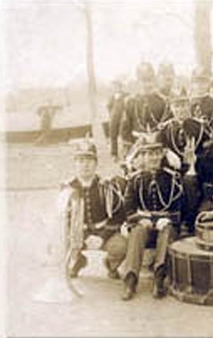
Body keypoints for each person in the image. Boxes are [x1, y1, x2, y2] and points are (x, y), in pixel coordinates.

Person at [122, 132, 199, 300]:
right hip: (144, 222)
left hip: (166, 221)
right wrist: (141, 219)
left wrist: (168, 219)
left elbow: (180, 208)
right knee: (137, 232)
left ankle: (159, 278)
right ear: (143, 156)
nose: (153, 157)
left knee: (167, 232)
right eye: (149, 154)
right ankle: (130, 280)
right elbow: (128, 209)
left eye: (157, 153)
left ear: (162, 154)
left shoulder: (173, 178)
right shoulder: (135, 180)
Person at [60, 137, 127, 281]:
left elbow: (119, 215)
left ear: (96, 164)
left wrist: (101, 237)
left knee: (122, 245)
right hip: (78, 233)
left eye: (90, 161)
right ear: (75, 163)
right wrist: (80, 236)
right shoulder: (67, 187)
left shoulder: (106, 186)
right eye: (81, 161)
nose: (85, 165)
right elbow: (64, 218)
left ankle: (111, 264)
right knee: (60, 242)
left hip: (104, 231)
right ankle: (77, 261)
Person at [158, 89, 211, 174]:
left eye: (183, 106)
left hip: (198, 168)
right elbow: (161, 149)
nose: (180, 110)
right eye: (176, 106)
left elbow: (209, 150)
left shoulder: (201, 126)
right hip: (173, 170)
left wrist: (197, 158)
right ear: (171, 108)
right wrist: (168, 154)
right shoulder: (166, 129)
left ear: (189, 106)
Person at [121, 62, 169, 153]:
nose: (147, 85)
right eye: (143, 81)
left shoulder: (163, 101)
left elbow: (166, 126)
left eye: (150, 80)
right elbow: (125, 129)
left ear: (154, 80)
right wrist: (129, 148)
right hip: (137, 146)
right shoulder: (130, 102)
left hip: (158, 147)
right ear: (138, 81)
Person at [190, 67, 213, 133]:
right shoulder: (189, 102)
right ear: (192, 84)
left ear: (208, 84)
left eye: (203, 82)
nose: (200, 86)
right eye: (197, 82)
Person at [107, 78, 128, 162]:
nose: (116, 88)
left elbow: (128, 107)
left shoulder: (126, 95)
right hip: (113, 119)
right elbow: (109, 107)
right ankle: (114, 154)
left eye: (117, 86)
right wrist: (112, 116)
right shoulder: (112, 97)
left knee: (124, 136)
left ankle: (125, 154)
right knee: (113, 136)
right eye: (114, 86)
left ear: (120, 87)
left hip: (123, 119)